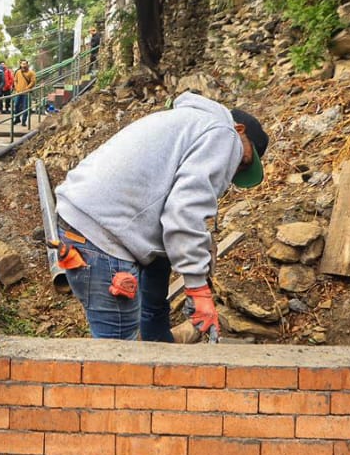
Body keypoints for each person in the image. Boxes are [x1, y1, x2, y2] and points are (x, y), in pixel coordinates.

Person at [53, 91, 268, 342]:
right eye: (243, 161)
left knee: (118, 349)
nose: (234, 169)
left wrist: (200, 252)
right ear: (239, 130)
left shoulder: (188, 124)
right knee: (118, 359)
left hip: (85, 221)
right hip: (103, 237)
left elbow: (168, 206)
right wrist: (197, 288)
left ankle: (157, 360)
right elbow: (184, 212)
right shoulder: (225, 134)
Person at [13, 58, 36, 127]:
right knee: (16, 105)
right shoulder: (18, 72)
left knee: (25, 107)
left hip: (26, 93)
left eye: (25, 64)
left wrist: (28, 88)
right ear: (20, 65)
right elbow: (15, 80)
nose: (24, 65)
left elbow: (33, 82)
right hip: (18, 92)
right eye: (22, 64)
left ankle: (23, 121)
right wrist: (16, 87)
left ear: (27, 64)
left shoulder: (31, 73)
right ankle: (17, 118)